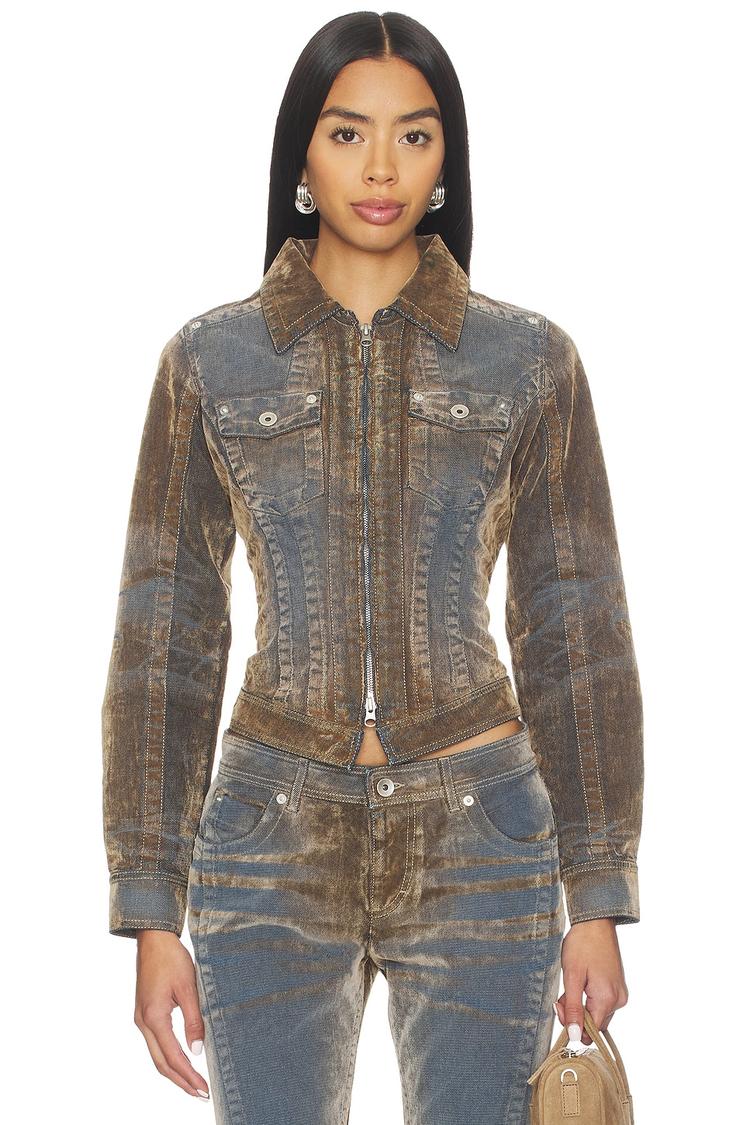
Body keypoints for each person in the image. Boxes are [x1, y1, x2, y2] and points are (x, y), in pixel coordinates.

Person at [101, 11, 644, 1124]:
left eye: (416, 135)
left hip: (480, 830)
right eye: (348, 133)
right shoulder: (210, 361)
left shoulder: (529, 360)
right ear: (301, 156)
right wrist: (152, 909)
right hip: (269, 833)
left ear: (448, 161)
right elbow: (167, 635)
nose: (383, 168)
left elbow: (574, 625)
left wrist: (596, 893)